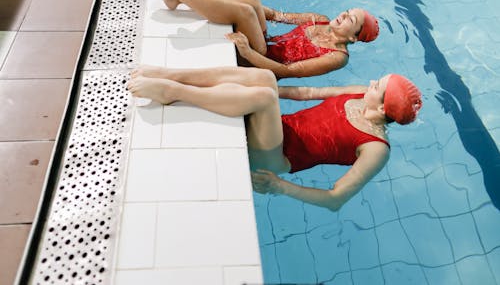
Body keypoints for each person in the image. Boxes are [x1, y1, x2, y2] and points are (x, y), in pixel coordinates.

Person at [128, 66, 422, 210]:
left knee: (264, 96)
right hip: (277, 129)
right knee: (267, 80)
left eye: (377, 86)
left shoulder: (376, 149)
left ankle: (173, 92)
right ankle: (174, 75)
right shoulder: (360, 93)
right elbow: (307, 93)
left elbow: (336, 199)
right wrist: (255, 79)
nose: (370, 82)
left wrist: (279, 186)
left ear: (384, 108)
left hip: (274, 158)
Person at [137, 0, 379, 78]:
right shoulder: (320, 19)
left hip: (262, 62)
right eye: (347, 11)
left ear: (354, 37)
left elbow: (286, 71)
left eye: (351, 20)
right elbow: (276, 15)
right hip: (264, 44)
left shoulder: (337, 57)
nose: (343, 15)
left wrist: (247, 51)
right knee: (249, 0)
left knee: (245, 11)